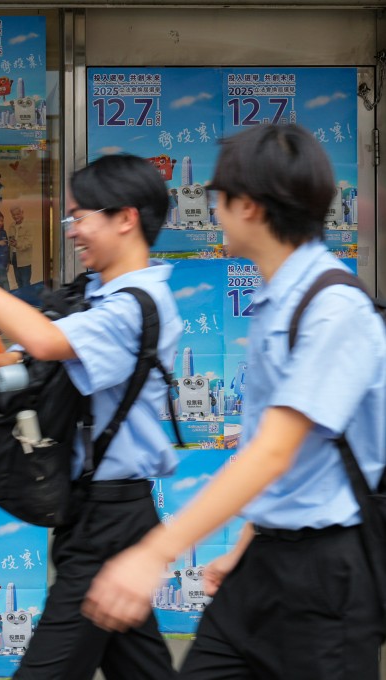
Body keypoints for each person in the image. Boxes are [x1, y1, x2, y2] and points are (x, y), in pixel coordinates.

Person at [84, 124, 386, 678]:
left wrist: (155, 552)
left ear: (247, 206)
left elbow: (274, 452)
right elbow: (295, 464)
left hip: (326, 580)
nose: (212, 213)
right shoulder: (278, 302)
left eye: (216, 200)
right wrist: (244, 548)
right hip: (264, 564)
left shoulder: (333, 308)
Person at [0, 153, 182, 680]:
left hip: (112, 519)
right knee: (142, 668)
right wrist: (2, 363)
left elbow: (46, 340)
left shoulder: (135, 306)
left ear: (125, 217)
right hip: (96, 512)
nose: (73, 231)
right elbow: (44, 356)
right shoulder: (99, 296)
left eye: (81, 217)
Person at [9, 205, 35, 289]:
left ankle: (28, 301)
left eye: (18, 214)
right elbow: (10, 241)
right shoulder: (11, 226)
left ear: (22, 213)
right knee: (18, 282)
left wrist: (17, 244)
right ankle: (21, 300)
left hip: (24, 260)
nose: (15, 216)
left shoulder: (29, 225)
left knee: (25, 283)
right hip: (14, 258)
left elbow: (28, 243)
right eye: (13, 215)